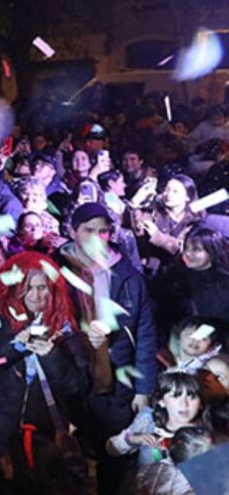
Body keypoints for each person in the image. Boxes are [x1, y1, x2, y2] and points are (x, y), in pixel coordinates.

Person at [57, 202, 159, 494]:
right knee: (70, 454)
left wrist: (143, 389)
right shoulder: (57, 272)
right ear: (72, 231)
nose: (96, 238)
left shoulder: (128, 276)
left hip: (117, 379)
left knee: (114, 456)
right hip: (73, 376)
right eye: (88, 230)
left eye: (103, 231)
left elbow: (145, 333)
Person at [0, 251, 91, 492]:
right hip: (0, 430)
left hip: (45, 435)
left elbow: (79, 385)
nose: (37, 295)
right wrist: (15, 346)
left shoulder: (65, 326)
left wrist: (51, 356)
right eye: (29, 288)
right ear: (16, 289)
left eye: (43, 288)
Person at [106, 371, 208, 466]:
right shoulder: (149, 422)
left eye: (192, 397)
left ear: (201, 404)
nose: (184, 404)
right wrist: (132, 439)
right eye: (175, 396)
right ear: (162, 401)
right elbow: (111, 448)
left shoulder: (206, 436)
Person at [180, 225, 229, 323]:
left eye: (196, 249)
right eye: (186, 248)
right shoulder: (180, 276)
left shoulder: (224, 283)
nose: (187, 253)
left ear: (212, 251)